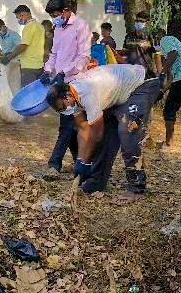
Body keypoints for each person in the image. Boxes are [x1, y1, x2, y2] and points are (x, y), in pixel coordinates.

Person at [44, 64, 160, 196]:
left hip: (141, 85)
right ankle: (96, 182)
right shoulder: (73, 97)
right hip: (118, 95)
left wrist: (86, 162)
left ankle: (137, 187)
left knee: (128, 131)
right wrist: (80, 160)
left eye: (63, 107)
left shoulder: (87, 93)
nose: (65, 110)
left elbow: (95, 134)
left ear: (67, 96)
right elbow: (83, 130)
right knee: (107, 135)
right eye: (60, 110)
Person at [41, 0, 92, 180]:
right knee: (70, 125)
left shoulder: (81, 26)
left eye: (56, 15)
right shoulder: (58, 28)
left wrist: (65, 71)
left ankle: (54, 165)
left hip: (77, 82)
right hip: (60, 81)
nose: (55, 18)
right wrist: (47, 70)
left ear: (65, 11)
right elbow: (54, 53)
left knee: (67, 125)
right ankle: (84, 163)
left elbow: (84, 56)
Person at [1, 5, 47, 86]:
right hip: (39, 65)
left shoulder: (29, 27)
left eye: (18, 17)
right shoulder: (40, 26)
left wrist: (9, 57)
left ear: (23, 14)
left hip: (29, 67)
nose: (19, 20)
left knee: (28, 94)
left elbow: (23, 46)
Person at [123, 11, 158, 77]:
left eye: (141, 21)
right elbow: (124, 51)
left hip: (146, 72)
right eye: (137, 21)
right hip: (131, 71)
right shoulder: (129, 36)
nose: (138, 23)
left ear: (146, 23)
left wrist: (159, 72)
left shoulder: (151, 37)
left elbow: (157, 55)